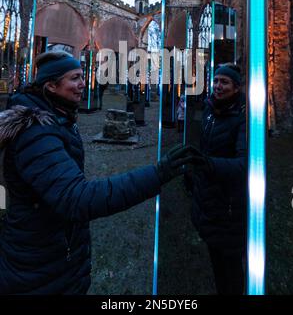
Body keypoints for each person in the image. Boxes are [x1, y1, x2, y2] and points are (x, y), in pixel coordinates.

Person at [0, 51, 192, 295]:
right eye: (75, 78)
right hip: (38, 264)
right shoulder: (37, 133)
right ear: (51, 85)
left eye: (82, 76)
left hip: (54, 254)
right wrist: (156, 174)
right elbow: (77, 198)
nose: (83, 84)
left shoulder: (55, 119)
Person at [190, 63, 247, 295]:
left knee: (230, 266)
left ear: (236, 88)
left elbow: (245, 165)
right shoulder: (210, 111)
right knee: (216, 259)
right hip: (209, 200)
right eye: (215, 81)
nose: (217, 86)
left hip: (230, 207)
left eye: (224, 82)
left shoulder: (243, 119)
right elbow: (203, 147)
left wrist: (207, 165)